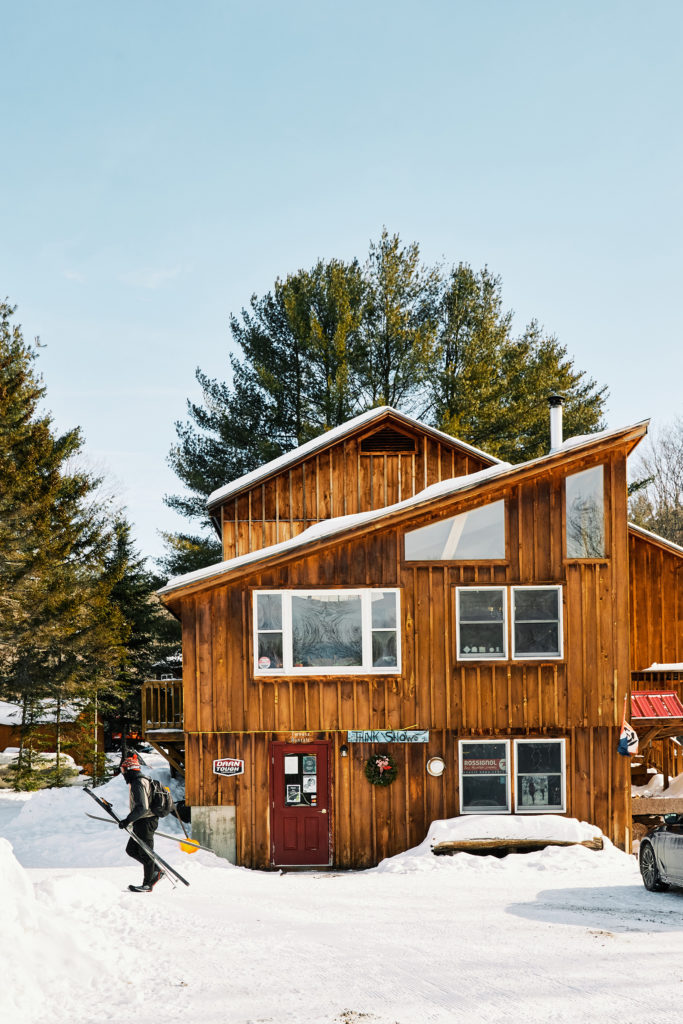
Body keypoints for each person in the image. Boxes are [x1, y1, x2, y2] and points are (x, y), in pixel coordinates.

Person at [118, 753, 163, 892]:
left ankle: (148, 884)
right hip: (141, 821)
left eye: (123, 770)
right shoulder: (137, 781)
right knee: (131, 850)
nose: (123, 773)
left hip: (146, 821)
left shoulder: (138, 782)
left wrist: (128, 820)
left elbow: (143, 808)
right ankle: (156, 871)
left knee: (147, 853)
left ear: (130, 769)